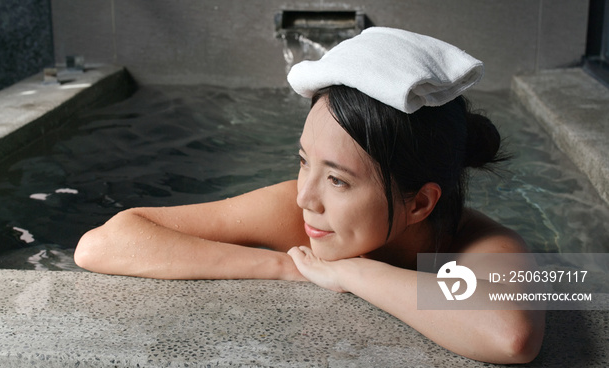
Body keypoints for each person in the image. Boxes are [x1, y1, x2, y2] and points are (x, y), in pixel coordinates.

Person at [74, 27, 545, 364]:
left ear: (420, 203)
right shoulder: (296, 214)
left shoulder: (481, 247)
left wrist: (354, 272)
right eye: (304, 162)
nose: (306, 198)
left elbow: (510, 337)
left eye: (337, 180)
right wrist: (283, 266)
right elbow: (102, 243)